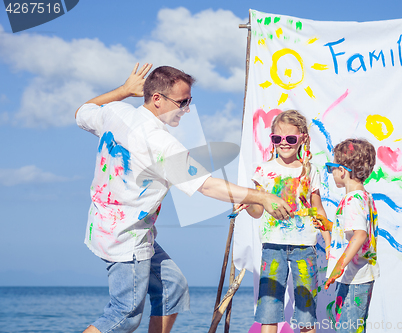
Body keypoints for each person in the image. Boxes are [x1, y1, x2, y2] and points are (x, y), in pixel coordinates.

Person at [75, 63, 293, 333]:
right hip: (125, 240)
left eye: (189, 101)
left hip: (109, 227)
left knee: (173, 289)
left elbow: (82, 110)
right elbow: (207, 186)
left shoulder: (116, 112)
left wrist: (122, 91)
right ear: (157, 99)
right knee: (125, 314)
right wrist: (261, 196)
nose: (187, 109)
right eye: (182, 102)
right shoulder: (160, 142)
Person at [242, 110, 331, 333]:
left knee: (307, 311)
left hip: (305, 248)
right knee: (269, 309)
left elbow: (318, 210)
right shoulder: (263, 170)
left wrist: (329, 242)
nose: (284, 143)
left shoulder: (310, 171)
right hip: (273, 247)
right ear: (272, 139)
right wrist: (247, 204)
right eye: (277, 139)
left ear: (302, 138)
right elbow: (257, 212)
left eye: (290, 139)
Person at [315, 138, 379, 333]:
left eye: (331, 167)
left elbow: (359, 235)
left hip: (354, 279)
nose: (331, 173)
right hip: (356, 277)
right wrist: (330, 226)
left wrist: (338, 267)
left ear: (342, 170)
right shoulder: (364, 197)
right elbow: (352, 231)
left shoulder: (353, 200)